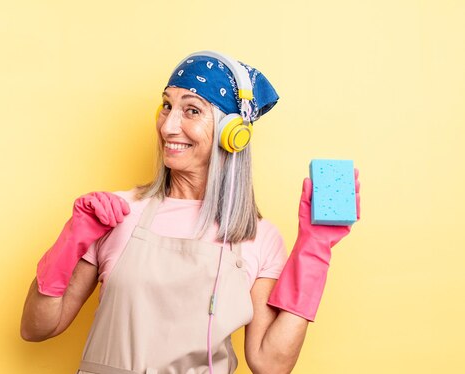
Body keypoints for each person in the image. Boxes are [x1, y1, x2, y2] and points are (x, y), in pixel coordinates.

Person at [20, 50, 361, 374]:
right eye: (166, 106)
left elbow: (270, 364)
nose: (168, 126)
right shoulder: (115, 213)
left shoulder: (258, 238)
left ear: (233, 134)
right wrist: (71, 240)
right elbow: (37, 328)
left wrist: (314, 250)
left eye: (192, 110)